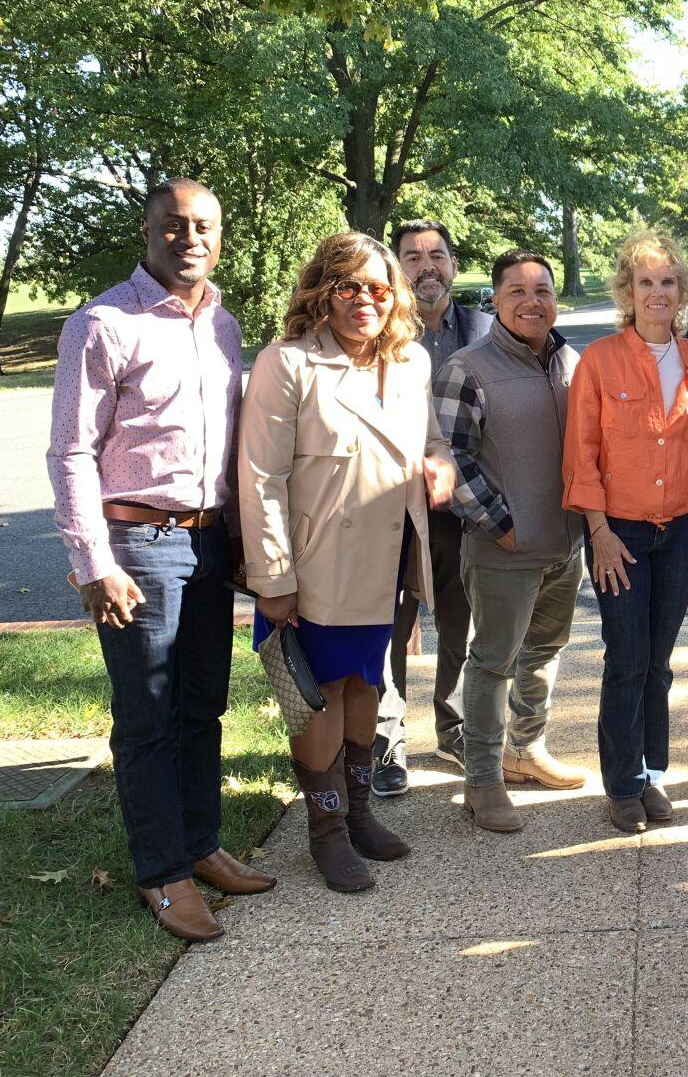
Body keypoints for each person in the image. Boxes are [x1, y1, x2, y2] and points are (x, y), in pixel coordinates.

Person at [47, 177, 275, 941]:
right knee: (147, 714)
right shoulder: (103, 323)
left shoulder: (225, 326)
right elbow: (71, 451)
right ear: (147, 231)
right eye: (174, 225)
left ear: (221, 236)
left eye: (204, 226)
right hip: (137, 545)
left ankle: (201, 843)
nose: (190, 238)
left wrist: (238, 541)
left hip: (209, 541)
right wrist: (93, 562)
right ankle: (162, 871)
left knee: (203, 703)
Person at [238, 231, 455, 893]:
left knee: (367, 685)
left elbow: (431, 438)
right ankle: (326, 830)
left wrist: (440, 463)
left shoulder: (411, 361)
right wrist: (273, 578)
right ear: (322, 292)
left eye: (378, 288)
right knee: (321, 695)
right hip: (315, 562)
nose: (365, 300)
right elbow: (260, 478)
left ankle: (359, 813)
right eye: (349, 286)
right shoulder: (288, 362)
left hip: (388, 556)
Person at [562, 231, 688, 834]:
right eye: (645, 281)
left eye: (668, 281)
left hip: (682, 527)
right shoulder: (600, 361)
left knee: (659, 660)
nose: (657, 292)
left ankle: (654, 773)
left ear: (683, 291)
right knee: (627, 658)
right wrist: (597, 530)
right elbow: (581, 452)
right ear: (627, 291)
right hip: (619, 530)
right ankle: (622, 784)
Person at [434, 249, 591, 834]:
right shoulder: (467, 368)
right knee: (493, 662)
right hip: (504, 548)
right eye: (517, 291)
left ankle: (526, 749)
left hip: (564, 545)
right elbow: (450, 457)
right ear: (496, 300)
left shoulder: (570, 362)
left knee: (544, 652)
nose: (532, 301)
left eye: (542, 290)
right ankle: (482, 779)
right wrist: (501, 524)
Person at [373, 220, 493, 796]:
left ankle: (454, 727)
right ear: (396, 267)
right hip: (387, 509)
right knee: (387, 626)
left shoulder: (485, 330)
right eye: (413, 256)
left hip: (460, 510)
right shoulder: (375, 330)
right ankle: (386, 740)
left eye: (437, 255)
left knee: (458, 622)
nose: (427, 267)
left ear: (453, 264)